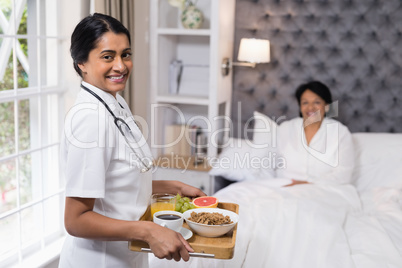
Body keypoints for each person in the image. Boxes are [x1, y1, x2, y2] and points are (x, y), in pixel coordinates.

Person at [59, 13, 205, 268]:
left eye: (125, 54)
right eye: (108, 57)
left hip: (127, 256)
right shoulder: (90, 120)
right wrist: (148, 231)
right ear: (81, 62)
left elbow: (119, 181)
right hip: (99, 261)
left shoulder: (113, 100)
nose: (121, 66)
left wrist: (172, 186)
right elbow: (76, 219)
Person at [277, 80, 355, 186]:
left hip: (326, 190)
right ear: (300, 106)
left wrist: (309, 184)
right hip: (285, 189)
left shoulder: (340, 132)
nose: (310, 107)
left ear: (327, 106)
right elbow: (270, 165)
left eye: (317, 102)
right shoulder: (285, 129)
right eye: (305, 102)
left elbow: (344, 174)